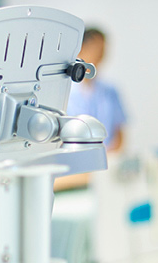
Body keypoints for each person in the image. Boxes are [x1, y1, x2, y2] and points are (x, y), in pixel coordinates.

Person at [54, 27, 128, 191]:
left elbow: (120, 134)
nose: (101, 55)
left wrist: (107, 159)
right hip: (71, 170)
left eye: (104, 50)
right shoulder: (63, 92)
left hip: (105, 167)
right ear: (82, 49)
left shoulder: (110, 91)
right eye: (97, 49)